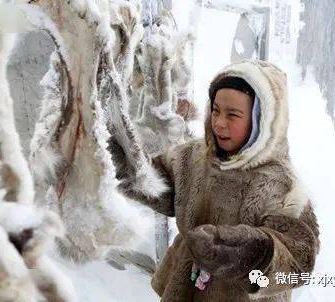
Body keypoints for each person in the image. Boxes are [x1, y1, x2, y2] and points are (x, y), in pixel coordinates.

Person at [108, 60, 320, 302]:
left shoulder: (280, 185)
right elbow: (162, 187)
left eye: (233, 115)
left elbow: (298, 259)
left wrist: (246, 253)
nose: (219, 122)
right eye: (216, 110)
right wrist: (122, 161)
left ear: (263, 120)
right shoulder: (194, 157)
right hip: (185, 287)